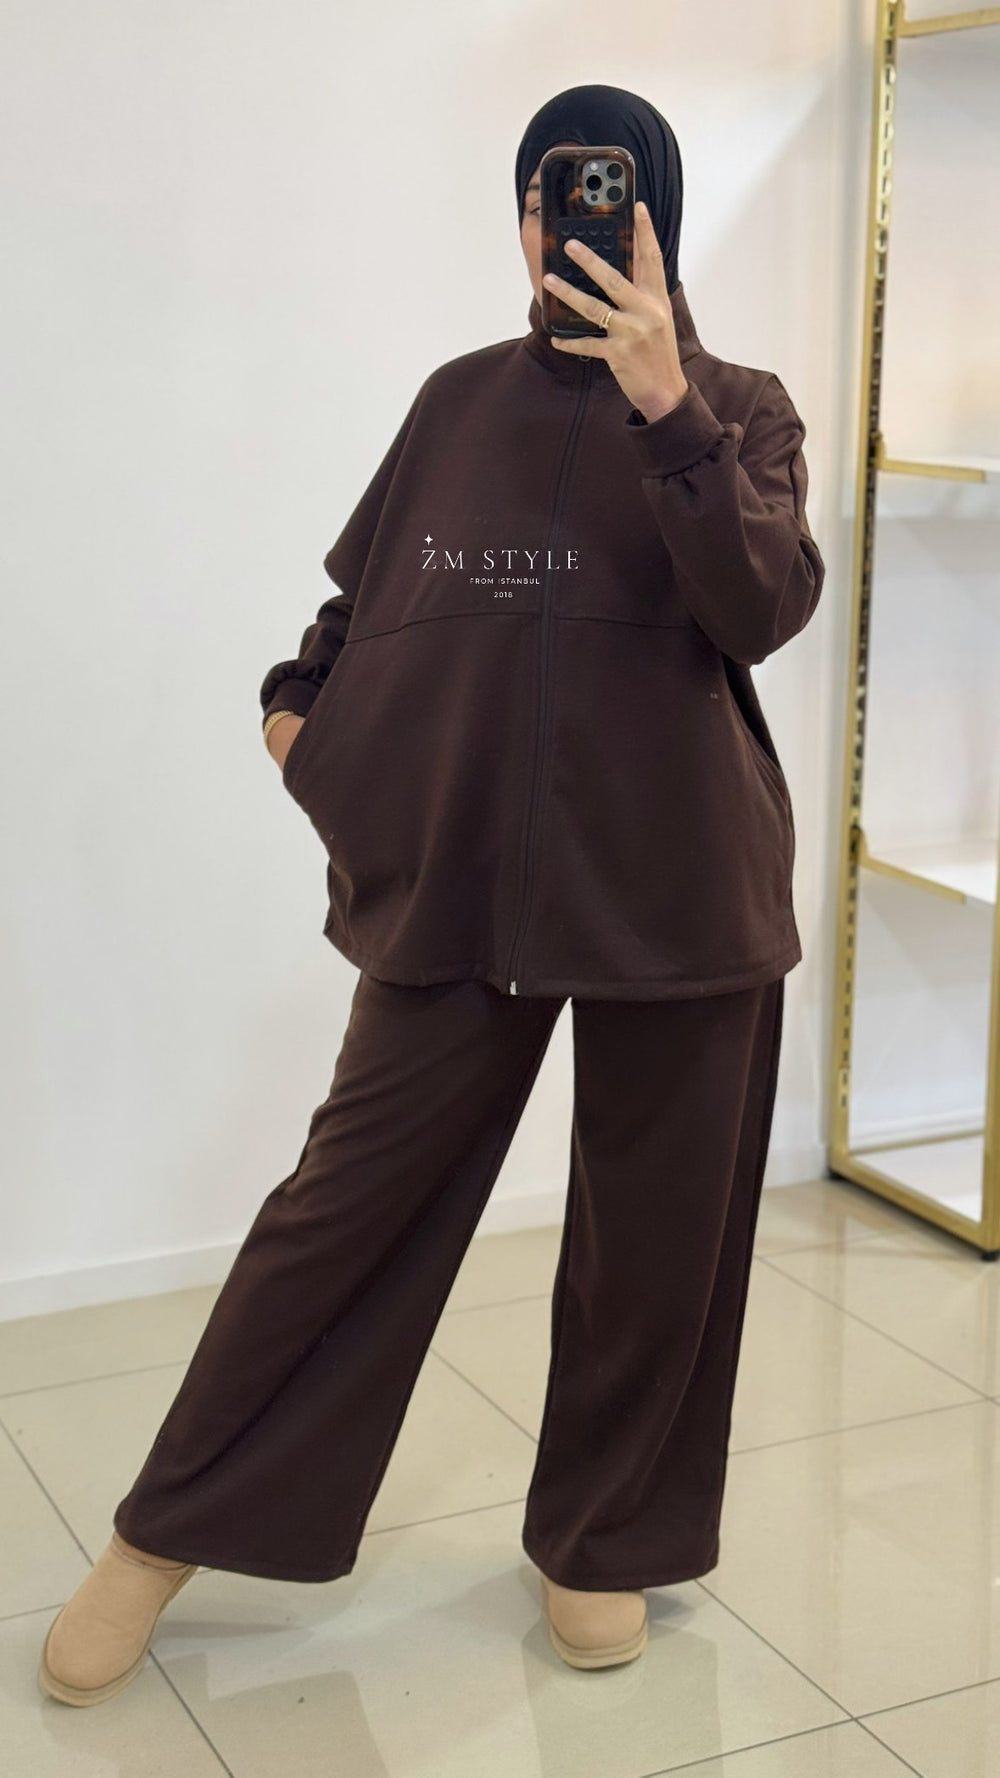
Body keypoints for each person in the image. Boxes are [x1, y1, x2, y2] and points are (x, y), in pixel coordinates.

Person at [38, 83, 824, 1706]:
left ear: (655, 214)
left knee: (655, 1243)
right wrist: (301, 719)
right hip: (460, 886)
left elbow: (762, 605)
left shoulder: (741, 407)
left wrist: (666, 407)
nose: (559, 224)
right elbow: (363, 608)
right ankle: (163, 1531)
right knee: (340, 1214)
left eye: (595, 192)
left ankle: (600, 1539)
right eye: (541, 195)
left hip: (683, 888)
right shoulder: (457, 402)